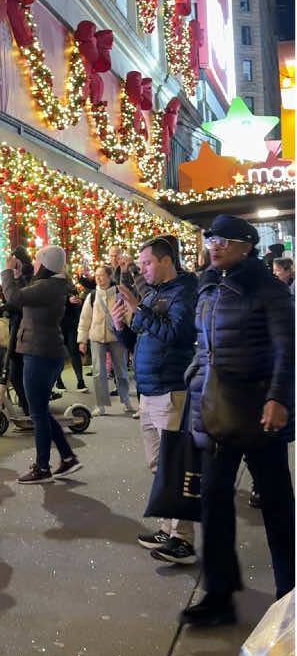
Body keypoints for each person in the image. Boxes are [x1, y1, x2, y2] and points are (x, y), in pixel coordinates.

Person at [183, 215, 294, 627]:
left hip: (259, 412)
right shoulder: (209, 286)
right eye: (212, 239)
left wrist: (279, 397)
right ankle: (219, 594)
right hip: (216, 409)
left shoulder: (268, 290)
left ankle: (290, 598)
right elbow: (201, 345)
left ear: (247, 246)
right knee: (212, 502)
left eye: (225, 241)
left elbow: (287, 349)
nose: (215, 246)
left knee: (278, 507)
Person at [110, 235, 199, 565]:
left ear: (166, 261)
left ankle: (183, 539)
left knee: (175, 465)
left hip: (172, 388)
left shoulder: (185, 292)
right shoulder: (156, 294)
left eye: (147, 262)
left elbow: (177, 335)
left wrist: (138, 309)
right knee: (158, 466)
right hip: (149, 390)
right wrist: (122, 327)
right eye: (141, 263)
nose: (142, 268)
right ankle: (167, 528)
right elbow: (141, 338)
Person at [1, 246, 81, 484]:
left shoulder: (47, 287)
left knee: (37, 413)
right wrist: (16, 277)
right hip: (46, 352)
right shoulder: (52, 285)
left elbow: (15, 298)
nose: (34, 266)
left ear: (45, 264)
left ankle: (42, 467)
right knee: (41, 412)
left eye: (37, 262)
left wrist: (6, 272)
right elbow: (26, 293)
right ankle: (67, 457)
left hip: (39, 354)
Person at [77, 266, 132, 416]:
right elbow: (85, 319)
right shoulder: (93, 296)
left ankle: (126, 399)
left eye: (102, 275)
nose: (99, 279)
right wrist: (82, 340)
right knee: (98, 372)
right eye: (96, 276)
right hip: (96, 338)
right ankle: (101, 404)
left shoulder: (119, 295)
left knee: (121, 370)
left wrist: (130, 339)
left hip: (117, 338)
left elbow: (128, 317)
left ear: (110, 277)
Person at [0, 244, 34, 422]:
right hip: (17, 330)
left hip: (24, 332)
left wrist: (3, 307)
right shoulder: (23, 277)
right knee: (17, 372)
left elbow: (18, 301)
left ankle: (30, 408)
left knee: (20, 373)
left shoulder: (30, 278)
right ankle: (28, 407)